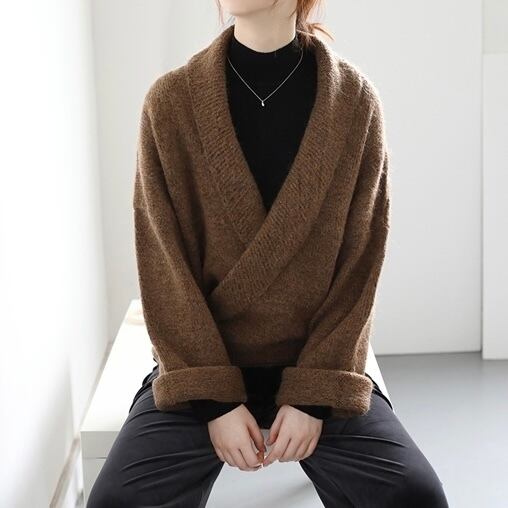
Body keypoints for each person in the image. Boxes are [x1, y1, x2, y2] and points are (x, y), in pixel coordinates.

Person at [87, 1, 450, 506]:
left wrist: (313, 397)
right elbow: (164, 266)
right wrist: (214, 400)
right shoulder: (171, 103)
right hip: (200, 367)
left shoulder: (353, 103)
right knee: (117, 500)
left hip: (319, 366)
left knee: (414, 494)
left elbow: (360, 263)